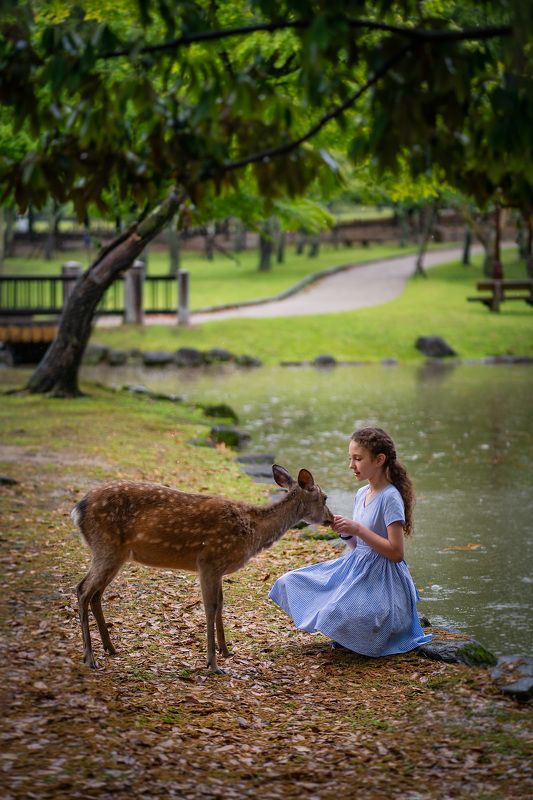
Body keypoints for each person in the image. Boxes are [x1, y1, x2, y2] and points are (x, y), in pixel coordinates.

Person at [269, 426, 432, 656]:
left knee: (335, 612)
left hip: (384, 579)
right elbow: (360, 547)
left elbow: (396, 553)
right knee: (291, 581)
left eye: (357, 459)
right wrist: (346, 533)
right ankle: (350, 633)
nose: (351, 465)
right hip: (357, 566)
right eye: (350, 458)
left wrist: (358, 528)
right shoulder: (361, 494)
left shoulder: (391, 498)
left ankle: (365, 634)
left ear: (379, 460)